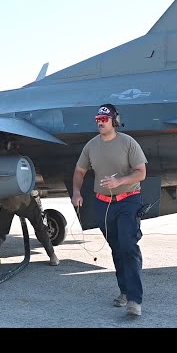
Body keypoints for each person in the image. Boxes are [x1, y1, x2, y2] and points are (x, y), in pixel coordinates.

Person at [71, 103, 148, 316]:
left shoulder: (128, 143)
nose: (100, 123)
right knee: (116, 247)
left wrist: (121, 180)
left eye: (104, 120)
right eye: (98, 120)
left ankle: (134, 299)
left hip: (128, 200)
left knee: (128, 245)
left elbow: (141, 172)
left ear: (114, 121)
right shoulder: (91, 146)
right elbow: (79, 171)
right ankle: (124, 290)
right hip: (103, 203)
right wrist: (76, 192)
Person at [0, 138, 59, 272]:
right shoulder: (19, 160)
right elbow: (30, 181)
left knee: (1, 233)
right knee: (40, 229)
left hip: (8, 204)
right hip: (26, 203)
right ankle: (53, 257)